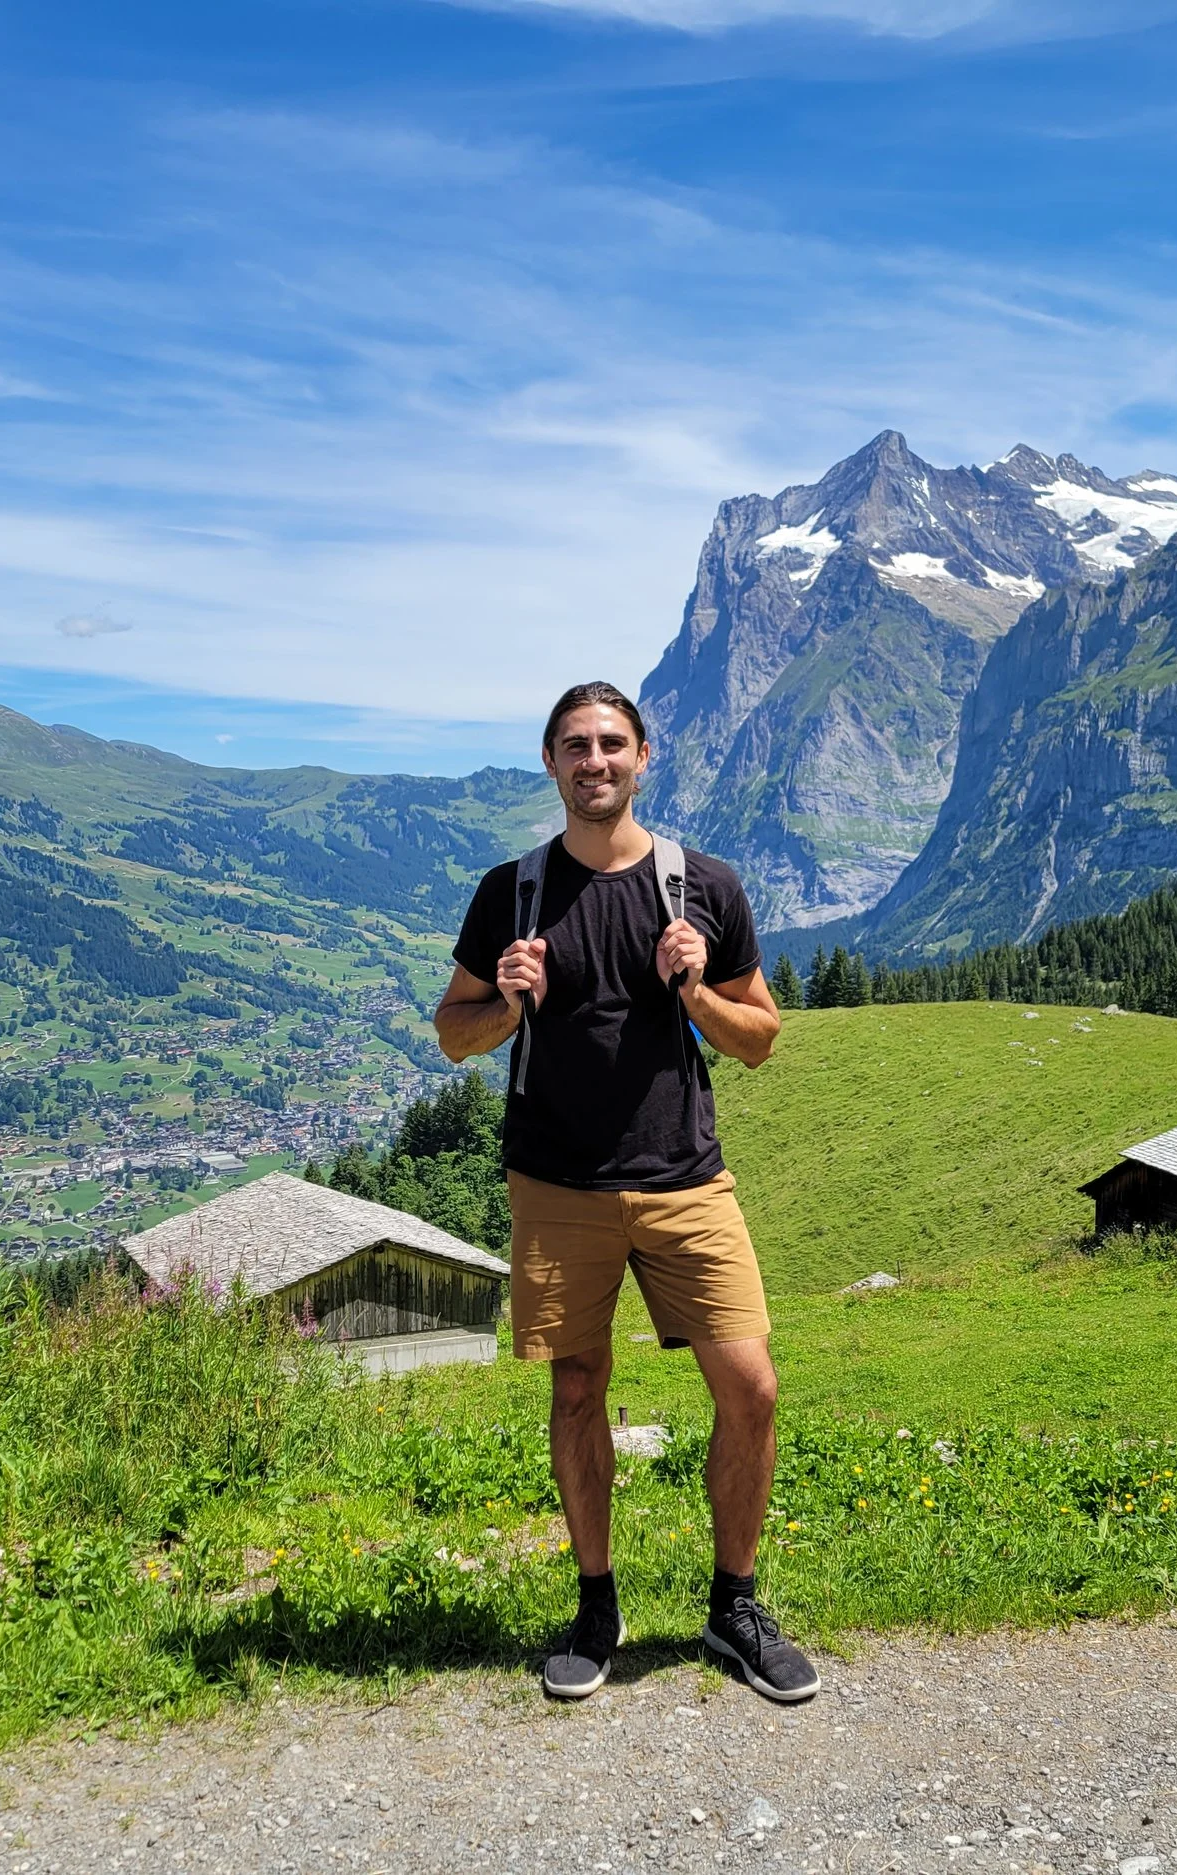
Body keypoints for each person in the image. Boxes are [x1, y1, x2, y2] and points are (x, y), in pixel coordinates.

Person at [433, 680, 817, 1705]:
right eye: (574, 746)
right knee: (575, 1389)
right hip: (556, 1183)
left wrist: (694, 992)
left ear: (645, 757)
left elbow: (761, 1042)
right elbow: (453, 1033)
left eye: (611, 744)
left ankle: (732, 1607)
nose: (594, 762)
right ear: (550, 765)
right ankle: (596, 1606)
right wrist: (508, 1003)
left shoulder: (706, 889)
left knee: (752, 1388)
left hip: (687, 1180)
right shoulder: (510, 893)